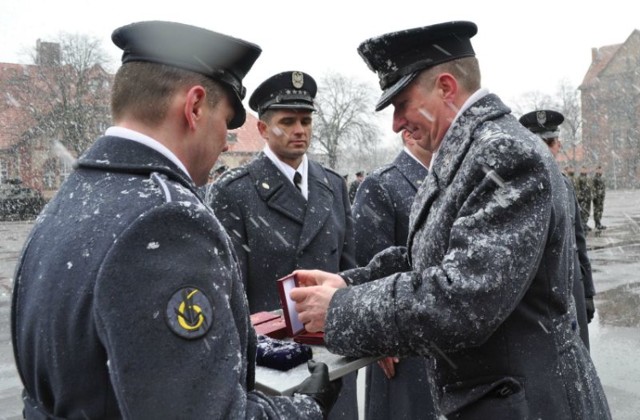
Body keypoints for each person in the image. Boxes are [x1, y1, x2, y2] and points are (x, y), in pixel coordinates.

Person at [10, 21, 340, 419]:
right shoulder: (164, 221)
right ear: (195, 106)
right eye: (226, 124)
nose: (224, 142)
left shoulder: (75, 194)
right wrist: (303, 408)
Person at [290, 21, 611, 419]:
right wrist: (350, 283)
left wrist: (340, 309)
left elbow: (461, 302)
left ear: (445, 87)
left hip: (530, 404)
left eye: (401, 103)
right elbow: (432, 257)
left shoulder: (505, 155)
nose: (396, 123)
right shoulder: (468, 152)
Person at [207, 70, 357, 419]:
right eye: (287, 121)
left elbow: (350, 268)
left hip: (332, 361)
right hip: (271, 372)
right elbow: (231, 292)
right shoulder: (235, 192)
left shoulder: (332, 185)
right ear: (262, 129)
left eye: (305, 120)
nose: (299, 130)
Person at [352, 129, 436, 420]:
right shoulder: (382, 184)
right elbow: (370, 271)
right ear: (410, 136)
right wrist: (380, 339)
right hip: (402, 343)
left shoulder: (452, 179)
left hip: (444, 334)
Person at [519, 109, 597, 349]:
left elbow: (578, 241)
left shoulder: (564, 184)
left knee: (579, 363)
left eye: (548, 143)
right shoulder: (518, 186)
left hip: (571, 290)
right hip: (539, 299)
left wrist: (587, 293)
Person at [576, 165, 593, 232]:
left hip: (588, 199)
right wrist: (580, 196)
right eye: (583, 169)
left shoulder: (588, 178)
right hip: (582, 199)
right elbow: (577, 188)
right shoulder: (579, 178)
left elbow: (590, 188)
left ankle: (585, 223)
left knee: (587, 212)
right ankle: (582, 225)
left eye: (585, 169)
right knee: (582, 212)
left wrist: (591, 195)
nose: (584, 171)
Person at [592, 165, 607, 230]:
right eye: (599, 170)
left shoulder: (601, 178)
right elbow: (593, 188)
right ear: (596, 170)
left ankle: (599, 223)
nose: (600, 171)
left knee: (600, 210)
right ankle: (597, 223)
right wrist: (595, 196)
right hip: (597, 198)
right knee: (597, 210)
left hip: (601, 197)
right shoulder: (595, 178)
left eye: (601, 170)